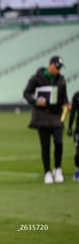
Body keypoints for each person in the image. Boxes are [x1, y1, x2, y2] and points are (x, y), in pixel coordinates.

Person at [23, 56, 69, 184]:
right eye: (56, 67)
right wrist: (36, 102)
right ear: (50, 65)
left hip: (56, 116)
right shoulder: (37, 78)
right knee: (45, 145)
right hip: (42, 116)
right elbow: (26, 93)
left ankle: (58, 169)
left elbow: (64, 97)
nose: (58, 70)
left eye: (60, 68)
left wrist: (66, 104)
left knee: (59, 143)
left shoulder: (61, 80)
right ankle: (47, 172)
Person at [67, 90, 79, 181]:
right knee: (78, 151)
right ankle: (77, 170)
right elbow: (72, 112)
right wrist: (70, 127)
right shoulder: (76, 95)